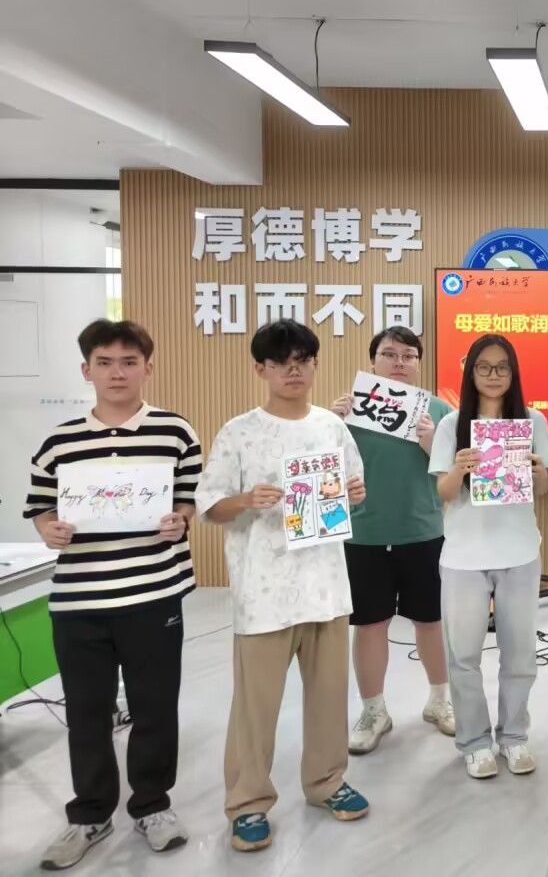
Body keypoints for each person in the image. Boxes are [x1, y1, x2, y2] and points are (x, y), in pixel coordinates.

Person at [25, 320, 201, 871]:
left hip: (154, 592)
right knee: (86, 710)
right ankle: (90, 813)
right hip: (80, 599)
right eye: (105, 362)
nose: (117, 373)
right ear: (87, 370)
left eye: (129, 362)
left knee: (155, 706)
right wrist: (50, 530)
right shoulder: (59, 440)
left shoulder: (175, 432)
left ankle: (152, 805)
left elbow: (190, 498)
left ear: (148, 368)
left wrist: (180, 520)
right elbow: (41, 507)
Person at [195, 319, 368, 853]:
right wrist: (247, 500)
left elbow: (352, 491)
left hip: (326, 587)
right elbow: (210, 505)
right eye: (281, 363)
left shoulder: (332, 427)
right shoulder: (239, 431)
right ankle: (248, 802)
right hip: (264, 591)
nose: (294, 371)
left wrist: (354, 494)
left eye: (303, 361)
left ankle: (326, 782)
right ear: (261, 369)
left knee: (329, 696)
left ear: (314, 366)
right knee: (256, 706)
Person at [428, 334, 548, 779]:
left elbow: (543, 487)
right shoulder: (452, 425)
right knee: (463, 656)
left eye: (502, 367)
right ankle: (475, 742)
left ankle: (514, 736)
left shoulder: (532, 421)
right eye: (484, 367)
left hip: (519, 551)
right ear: (471, 372)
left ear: (513, 372)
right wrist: (459, 469)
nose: (494, 375)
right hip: (464, 555)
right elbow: (443, 492)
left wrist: (538, 472)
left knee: (519, 654)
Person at [330, 326, 455, 755]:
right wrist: (332, 425)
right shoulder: (349, 410)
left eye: (408, 355)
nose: (400, 362)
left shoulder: (439, 410)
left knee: (431, 621)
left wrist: (431, 441)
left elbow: (455, 474)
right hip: (364, 534)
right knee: (370, 624)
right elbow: (324, 471)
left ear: (418, 363)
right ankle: (374, 711)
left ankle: (439, 701)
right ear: (373, 362)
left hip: (423, 531)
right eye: (389, 354)